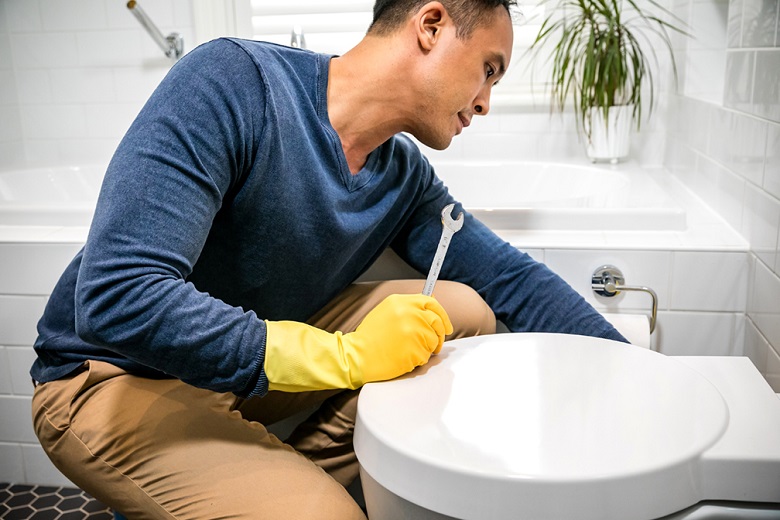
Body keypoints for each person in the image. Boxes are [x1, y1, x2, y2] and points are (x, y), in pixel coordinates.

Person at [30, 1, 626, 518]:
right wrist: (346, 356)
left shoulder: (402, 178)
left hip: (231, 373)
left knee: (462, 308)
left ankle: (286, 477)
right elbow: (119, 298)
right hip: (112, 376)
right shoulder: (234, 83)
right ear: (432, 26)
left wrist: (632, 375)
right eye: (488, 70)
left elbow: (508, 278)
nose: (487, 101)